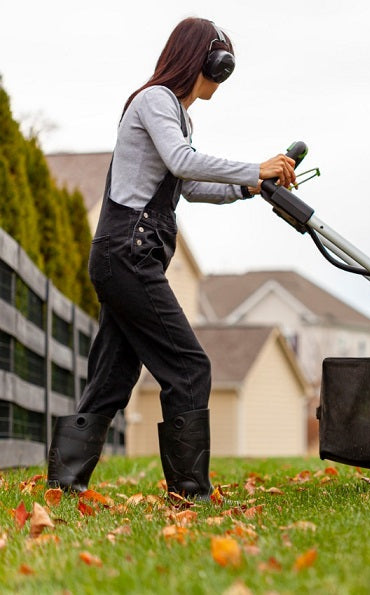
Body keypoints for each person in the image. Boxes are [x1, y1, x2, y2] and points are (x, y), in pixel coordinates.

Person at [46, 17, 296, 499]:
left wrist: (253, 185)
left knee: (112, 375)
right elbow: (183, 161)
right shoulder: (154, 100)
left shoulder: (178, 115)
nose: (221, 78)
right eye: (220, 66)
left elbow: (192, 184)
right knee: (189, 367)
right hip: (128, 253)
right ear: (201, 60)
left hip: (131, 256)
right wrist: (252, 165)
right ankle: (189, 492)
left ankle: (64, 485)